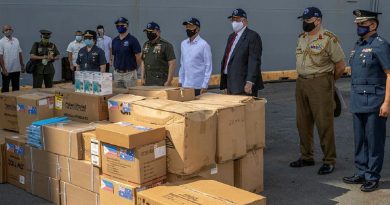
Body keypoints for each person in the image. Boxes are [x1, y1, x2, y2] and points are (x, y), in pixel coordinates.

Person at [290, 7, 346, 175]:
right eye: (303, 20)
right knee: (303, 123)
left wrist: (328, 82)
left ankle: (329, 160)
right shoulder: (302, 38)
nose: (304, 23)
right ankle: (306, 156)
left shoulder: (329, 38)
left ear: (317, 21)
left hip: (320, 82)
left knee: (324, 123)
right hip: (301, 83)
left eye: (307, 21)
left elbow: (341, 66)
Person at [342, 10, 390, 192]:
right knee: (360, 140)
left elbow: (389, 75)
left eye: (362, 24)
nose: (358, 27)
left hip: (375, 102)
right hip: (357, 100)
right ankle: (361, 172)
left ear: (373, 25)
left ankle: (372, 176)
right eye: (357, 23)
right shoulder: (358, 45)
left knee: (374, 141)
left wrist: (387, 103)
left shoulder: (381, 45)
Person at [220, 8, 263, 97]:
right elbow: (228, 58)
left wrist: (250, 82)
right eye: (233, 20)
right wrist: (224, 83)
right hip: (230, 83)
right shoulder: (231, 37)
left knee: (245, 110)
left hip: (243, 86)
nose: (234, 22)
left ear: (244, 21)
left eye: (237, 19)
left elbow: (254, 60)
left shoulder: (252, 36)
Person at [178, 17, 212, 96]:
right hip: (185, 85)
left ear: (197, 29)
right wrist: (180, 80)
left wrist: (205, 85)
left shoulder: (204, 45)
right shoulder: (183, 44)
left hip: (198, 86)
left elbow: (208, 66)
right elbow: (182, 64)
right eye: (187, 26)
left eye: (190, 26)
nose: (188, 28)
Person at [140, 22, 176, 86]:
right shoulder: (146, 45)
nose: (149, 33)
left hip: (160, 83)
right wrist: (142, 77)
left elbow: (172, 63)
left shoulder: (166, 45)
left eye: (151, 31)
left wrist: (169, 81)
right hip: (148, 82)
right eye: (147, 32)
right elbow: (143, 61)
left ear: (158, 32)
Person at [112, 17, 141, 88]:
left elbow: (139, 57)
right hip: (117, 74)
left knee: (130, 96)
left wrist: (134, 69)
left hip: (129, 74)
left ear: (127, 26)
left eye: (122, 25)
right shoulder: (115, 40)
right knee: (118, 96)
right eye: (118, 25)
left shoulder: (133, 40)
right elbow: (114, 55)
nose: (120, 27)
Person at [0, 25, 25, 92]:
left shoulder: (16, 40)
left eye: (10, 29)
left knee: (16, 89)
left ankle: (15, 102)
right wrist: (3, 69)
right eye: (6, 30)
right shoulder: (1, 42)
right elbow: (0, 56)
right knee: (5, 89)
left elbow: (19, 53)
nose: (8, 31)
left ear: (12, 30)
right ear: (3, 31)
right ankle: (4, 102)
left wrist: (22, 65)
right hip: (7, 70)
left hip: (16, 69)